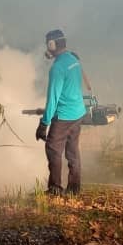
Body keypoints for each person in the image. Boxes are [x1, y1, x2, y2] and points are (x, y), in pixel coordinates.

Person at [35, 29, 88, 196]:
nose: (47, 48)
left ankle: (55, 189)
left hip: (64, 117)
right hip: (78, 113)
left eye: (48, 45)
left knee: (53, 149)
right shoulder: (74, 60)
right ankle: (74, 189)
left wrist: (44, 124)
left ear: (52, 45)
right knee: (72, 151)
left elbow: (53, 99)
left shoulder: (57, 68)